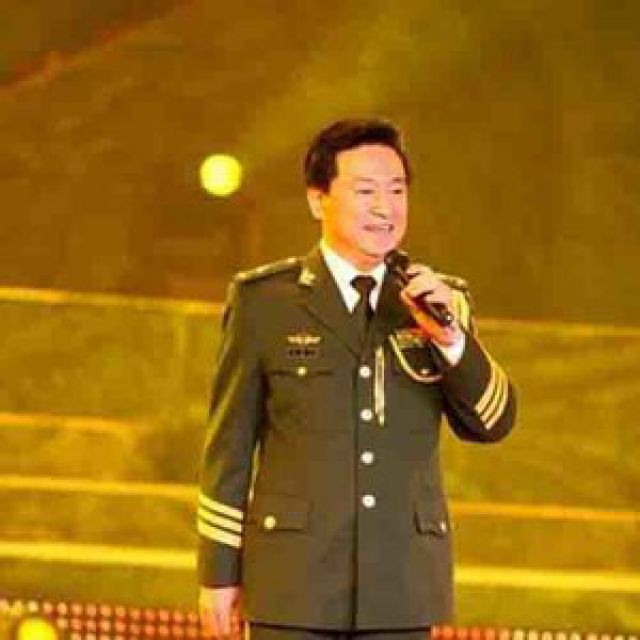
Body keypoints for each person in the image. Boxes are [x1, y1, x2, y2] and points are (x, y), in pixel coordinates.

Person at [197, 118, 516, 640]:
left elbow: (492, 422)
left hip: (401, 585)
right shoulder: (265, 302)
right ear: (317, 199)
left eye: (397, 190)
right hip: (293, 583)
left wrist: (450, 339)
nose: (385, 208)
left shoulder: (439, 300)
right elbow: (228, 449)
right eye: (366, 191)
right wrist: (218, 572)